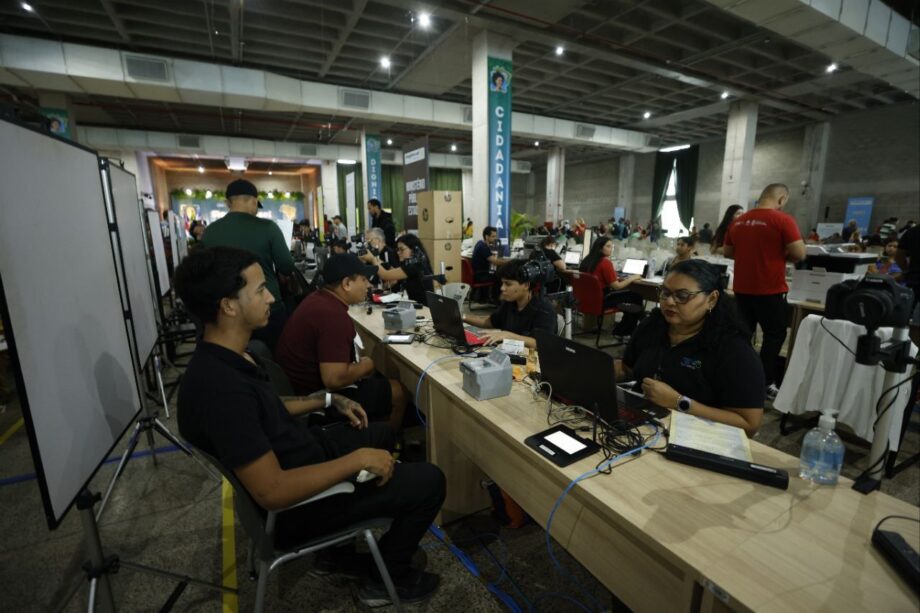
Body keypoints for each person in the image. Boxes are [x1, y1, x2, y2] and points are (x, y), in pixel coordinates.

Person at [174, 247, 443, 606]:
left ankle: (336, 554)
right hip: (298, 508)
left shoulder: (228, 357)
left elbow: (267, 407)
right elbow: (273, 490)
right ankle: (386, 578)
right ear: (229, 306)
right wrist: (357, 460)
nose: (271, 297)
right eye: (260, 290)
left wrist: (328, 400)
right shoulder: (222, 390)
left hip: (302, 451)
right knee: (430, 481)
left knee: (380, 432)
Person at [615, 259, 764, 437]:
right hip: (642, 425)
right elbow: (628, 369)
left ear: (711, 299)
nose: (670, 302)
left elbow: (749, 424)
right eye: (665, 293)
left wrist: (680, 403)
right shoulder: (652, 326)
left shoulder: (733, 350)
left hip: (699, 436)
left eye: (682, 296)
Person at [275, 253, 408, 432]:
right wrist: (367, 365)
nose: (368, 285)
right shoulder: (332, 316)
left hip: (298, 389)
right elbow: (334, 378)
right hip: (315, 398)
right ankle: (382, 441)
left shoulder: (318, 299)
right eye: (363, 279)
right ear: (346, 284)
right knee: (398, 391)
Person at [723, 183, 806, 400]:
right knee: (774, 336)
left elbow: (728, 252)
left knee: (743, 334)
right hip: (770, 289)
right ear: (781, 199)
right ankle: (765, 382)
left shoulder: (739, 221)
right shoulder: (783, 220)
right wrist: (778, 255)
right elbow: (800, 253)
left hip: (742, 289)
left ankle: (739, 378)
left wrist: (749, 254)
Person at [200, 178, 295, 351]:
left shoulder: (210, 232)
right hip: (266, 307)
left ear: (228, 203)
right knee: (274, 357)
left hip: (226, 311)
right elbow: (286, 265)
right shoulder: (268, 228)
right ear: (254, 201)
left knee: (233, 358)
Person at [462, 259, 557, 349]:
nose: (502, 288)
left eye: (508, 284)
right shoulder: (510, 303)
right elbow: (489, 322)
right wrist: (461, 316)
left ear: (526, 285)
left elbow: (541, 343)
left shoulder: (544, 309)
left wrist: (508, 335)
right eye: (502, 283)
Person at [579, 236, 644, 336]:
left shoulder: (586, 261)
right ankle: (624, 331)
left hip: (587, 299)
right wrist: (632, 278)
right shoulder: (605, 262)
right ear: (600, 248)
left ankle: (623, 328)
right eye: (608, 246)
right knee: (636, 297)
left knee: (631, 297)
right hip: (602, 300)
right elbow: (617, 286)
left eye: (612, 246)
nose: (611, 249)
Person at [369, 234, 434, 303]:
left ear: (413, 249)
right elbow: (394, 275)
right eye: (397, 249)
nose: (398, 252)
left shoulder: (414, 266)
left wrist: (372, 259)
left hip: (424, 307)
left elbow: (384, 275)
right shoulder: (415, 264)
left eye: (402, 249)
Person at [895, 223, 920, 318]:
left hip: (915, 280)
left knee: (908, 315)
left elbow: (899, 256)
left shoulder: (912, 231)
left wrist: (906, 270)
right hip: (915, 280)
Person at [471, 226, 500, 298]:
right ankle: (496, 299)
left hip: (478, 274)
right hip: (481, 276)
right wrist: (509, 262)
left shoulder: (479, 243)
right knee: (501, 276)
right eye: (493, 236)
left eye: (495, 236)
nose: (495, 238)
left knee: (496, 274)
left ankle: (488, 298)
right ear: (487, 237)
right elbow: (495, 262)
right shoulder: (483, 247)